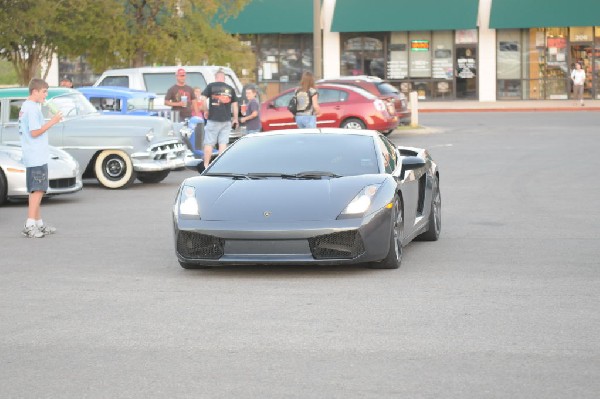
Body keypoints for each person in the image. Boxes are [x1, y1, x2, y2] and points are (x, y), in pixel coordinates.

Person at [18, 78, 64, 238]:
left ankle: (38, 223)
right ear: (35, 91)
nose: (46, 94)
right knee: (37, 190)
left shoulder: (28, 106)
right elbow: (35, 132)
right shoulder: (31, 108)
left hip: (33, 154)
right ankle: (30, 224)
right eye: (44, 91)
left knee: (37, 189)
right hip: (35, 154)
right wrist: (53, 121)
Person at [199, 69, 239, 169]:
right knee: (223, 144)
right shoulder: (230, 89)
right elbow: (235, 105)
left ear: (216, 77)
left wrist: (206, 110)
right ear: (224, 78)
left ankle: (206, 165)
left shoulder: (211, 86)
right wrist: (235, 119)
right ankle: (221, 167)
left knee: (209, 143)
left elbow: (202, 99)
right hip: (226, 120)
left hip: (213, 119)